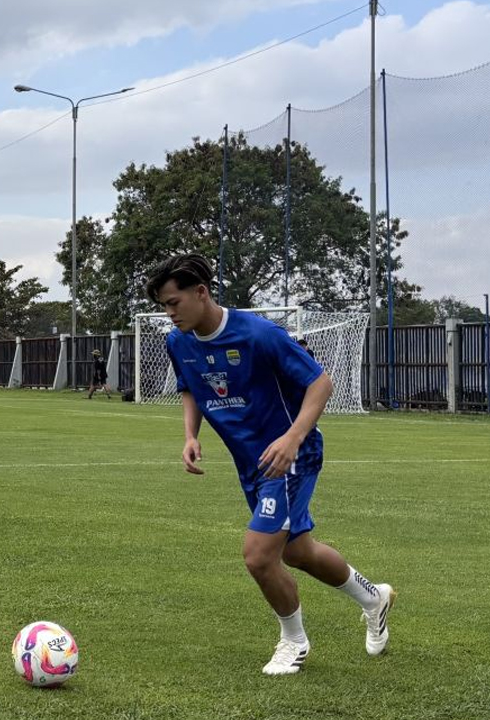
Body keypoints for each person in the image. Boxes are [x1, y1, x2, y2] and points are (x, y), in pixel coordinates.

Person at [147, 253, 394, 676]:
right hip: (252, 463)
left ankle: (294, 642)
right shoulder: (178, 341)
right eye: (164, 306)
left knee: (259, 557)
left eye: (174, 302)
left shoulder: (260, 334)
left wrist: (292, 438)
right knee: (299, 553)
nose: (169, 313)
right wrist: (191, 435)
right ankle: (375, 598)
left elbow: (321, 382)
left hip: (291, 457)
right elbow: (190, 387)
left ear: (201, 292)